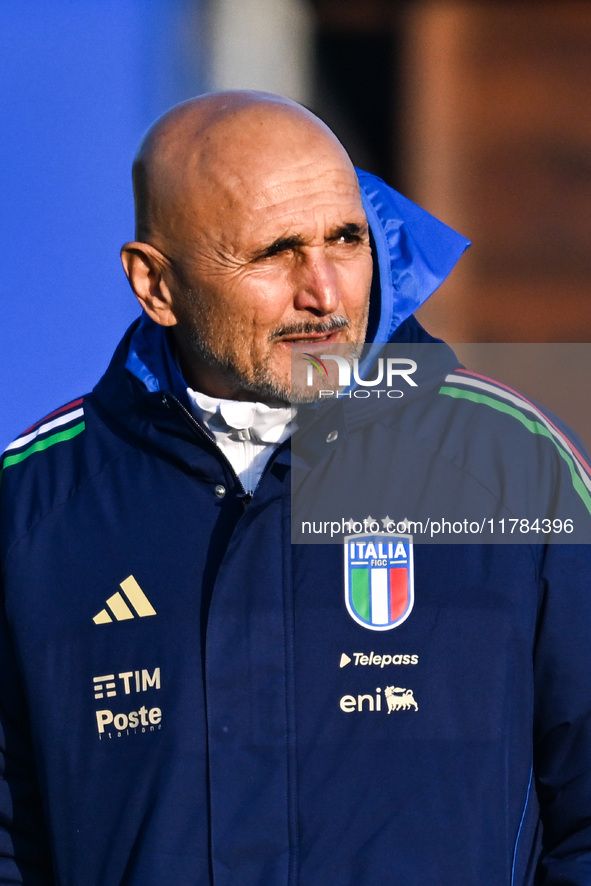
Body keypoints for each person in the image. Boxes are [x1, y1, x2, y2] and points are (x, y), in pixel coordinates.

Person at [1, 90, 590, 886]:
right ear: (155, 285)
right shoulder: (37, 506)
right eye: (275, 251)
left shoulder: (509, 466)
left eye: (345, 239)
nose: (325, 293)